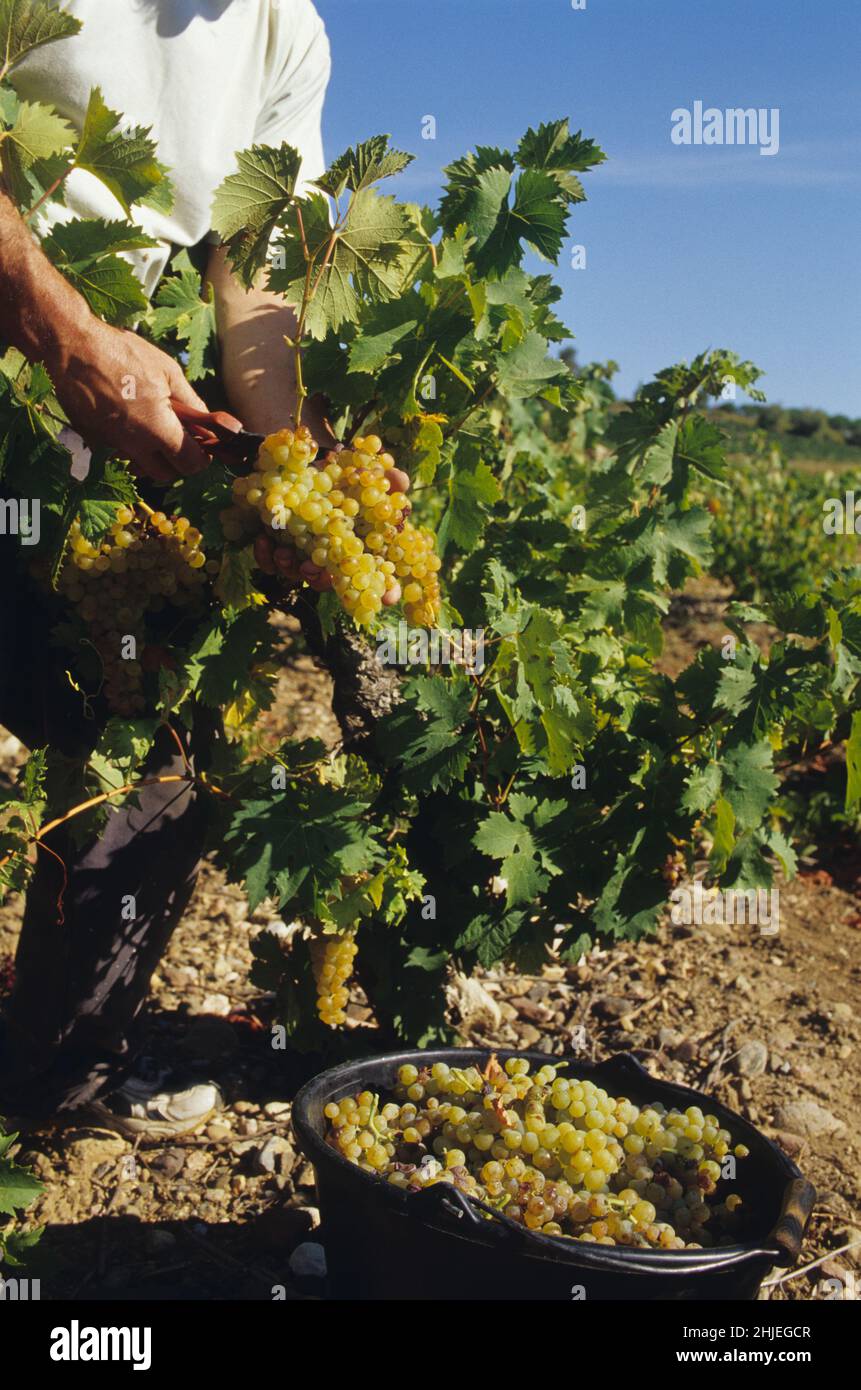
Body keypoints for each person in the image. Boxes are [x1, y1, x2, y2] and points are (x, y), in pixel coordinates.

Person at [0, 0, 336, 1135]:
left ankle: (61, 1075)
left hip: (102, 416)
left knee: (154, 720)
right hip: (37, 350)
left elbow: (257, 287)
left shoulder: (287, 34)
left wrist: (284, 466)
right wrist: (62, 332)